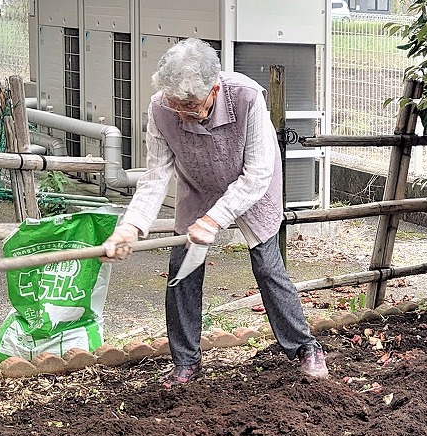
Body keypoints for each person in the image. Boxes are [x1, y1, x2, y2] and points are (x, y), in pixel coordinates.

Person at [101, 38, 328, 386]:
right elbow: (156, 175)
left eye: (192, 104)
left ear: (215, 87)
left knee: (268, 267)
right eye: (178, 105)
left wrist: (213, 220)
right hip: (198, 186)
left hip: (252, 185)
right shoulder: (161, 108)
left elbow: (257, 174)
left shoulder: (247, 97)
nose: (185, 113)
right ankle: (185, 362)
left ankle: (305, 348)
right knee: (182, 272)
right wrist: (130, 227)